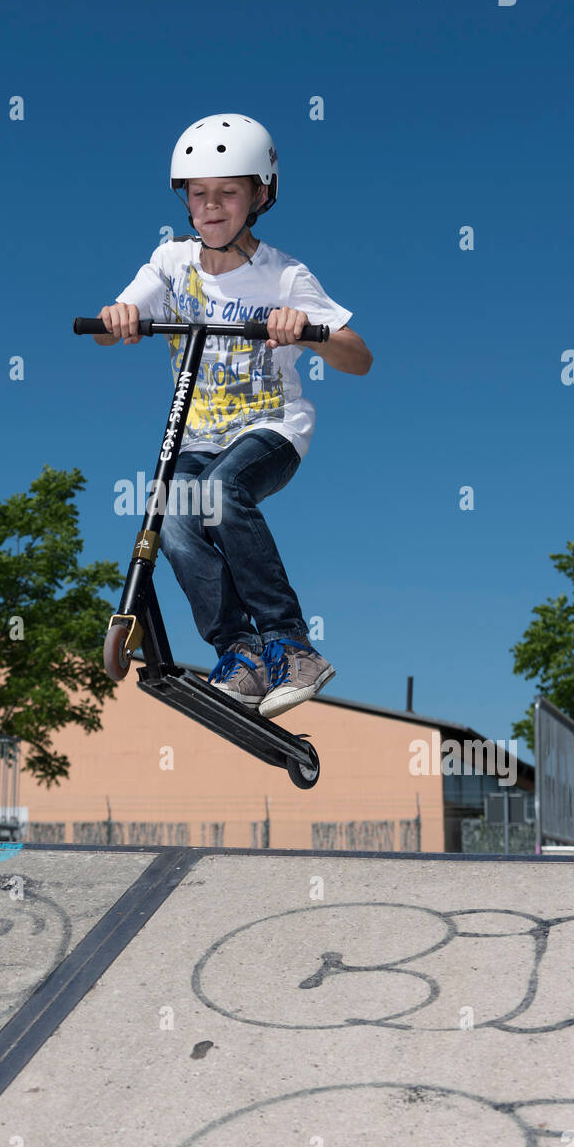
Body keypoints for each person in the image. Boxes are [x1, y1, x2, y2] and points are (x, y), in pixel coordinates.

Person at [94, 113, 372, 719]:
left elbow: (359, 358)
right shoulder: (170, 263)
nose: (211, 206)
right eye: (198, 192)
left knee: (218, 494)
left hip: (270, 429)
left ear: (260, 194)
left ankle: (291, 644)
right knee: (171, 521)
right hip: (197, 434)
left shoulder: (285, 275)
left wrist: (308, 330)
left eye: (228, 191)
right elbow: (119, 317)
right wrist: (117, 318)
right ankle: (240, 653)